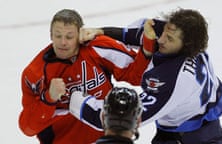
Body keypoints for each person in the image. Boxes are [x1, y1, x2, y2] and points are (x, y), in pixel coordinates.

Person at [69, 8, 222, 144]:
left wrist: (74, 97)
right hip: (189, 118)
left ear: (186, 46)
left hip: (198, 137)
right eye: (165, 32)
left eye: (169, 39)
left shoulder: (174, 80)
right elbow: (140, 34)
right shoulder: (187, 37)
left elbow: (122, 119)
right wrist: (100, 32)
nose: (161, 39)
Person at [18, 9, 156, 144]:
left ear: (79, 34)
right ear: (51, 36)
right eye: (58, 36)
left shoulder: (99, 47)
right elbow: (28, 128)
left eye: (69, 36)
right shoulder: (35, 73)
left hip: (106, 138)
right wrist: (49, 99)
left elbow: (137, 76)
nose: (63, 42)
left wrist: (148, 46)